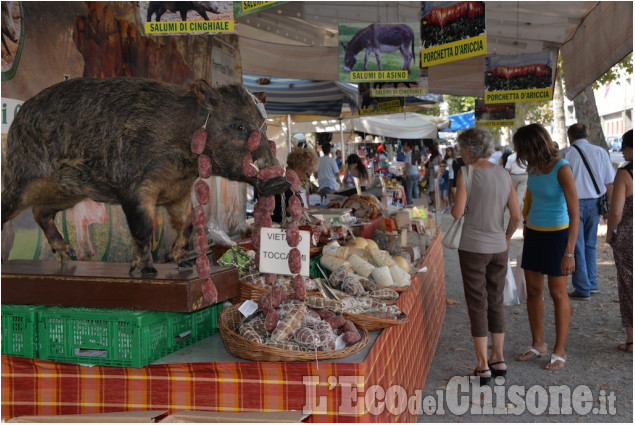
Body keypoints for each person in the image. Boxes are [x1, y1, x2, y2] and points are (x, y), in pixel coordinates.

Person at [452, 127, 521, 383]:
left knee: (477, 303)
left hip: (472, 247)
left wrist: (456, 203)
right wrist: (505, 238)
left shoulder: (466, 173)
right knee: (496, 300)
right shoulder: (504, 174)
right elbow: (516, 216)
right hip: (498, 248)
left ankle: (482, 365)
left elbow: (458, 213)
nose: (460, 153)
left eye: (461, 148)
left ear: (470, 149)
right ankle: (498, 357)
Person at [513, 123, 579, 370]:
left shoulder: (562, 168)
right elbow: (530, 196)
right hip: (534, 235)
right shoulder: (533, 167)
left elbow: (575, 212)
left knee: (557, 292)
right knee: (532, 291)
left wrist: (569, 251)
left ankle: (559, 349)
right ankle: (538, 343)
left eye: (522, 149)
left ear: (533, 145)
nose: (521, 155)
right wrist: (526, 223)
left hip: (557, 237)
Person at [561, 123, 615, 299]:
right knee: (590, 244)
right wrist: (611, 207)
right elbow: (609, 183)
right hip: (595, 204)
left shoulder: (565, 154)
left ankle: (583, 287)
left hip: (572, 204)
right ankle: (592, 283)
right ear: (587, 134)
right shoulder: (600, 152)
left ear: (570, 136)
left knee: (577, 246)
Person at [606, 129, 632, 352]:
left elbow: (615, 212)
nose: (622, 150)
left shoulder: (625, 174)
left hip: (629, 236)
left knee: (628, 285)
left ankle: (632, 339)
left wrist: (609, 233)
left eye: (624, 146)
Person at [271, 147, 319, 223]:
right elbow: (276, 213)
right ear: (299, 167)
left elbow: (303, 207)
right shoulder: (281, 182)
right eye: (307, 174)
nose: (306, 178)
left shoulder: (293, 185)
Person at [424, 139, 442, 211]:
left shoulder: (438, 156)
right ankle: (436, 206)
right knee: (432, 192)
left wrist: (439, 171)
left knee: (435, 192)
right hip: (431, 175)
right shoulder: (431, 157)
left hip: (436, 175)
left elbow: (442, 165)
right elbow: (428, 168)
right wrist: (425, 177)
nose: (428, 150)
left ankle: (438, 207)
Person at [402, 140, 420, 207]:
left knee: (409, 190)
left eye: (405, 145)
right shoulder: (414, 153)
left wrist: (405, 174)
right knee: (415, 189)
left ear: (408, 146)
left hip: (411, 174)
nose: (404, 146)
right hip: (416, 173)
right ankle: (417, 204)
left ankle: (409, 204)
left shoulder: (408, 154)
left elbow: (408, 165)